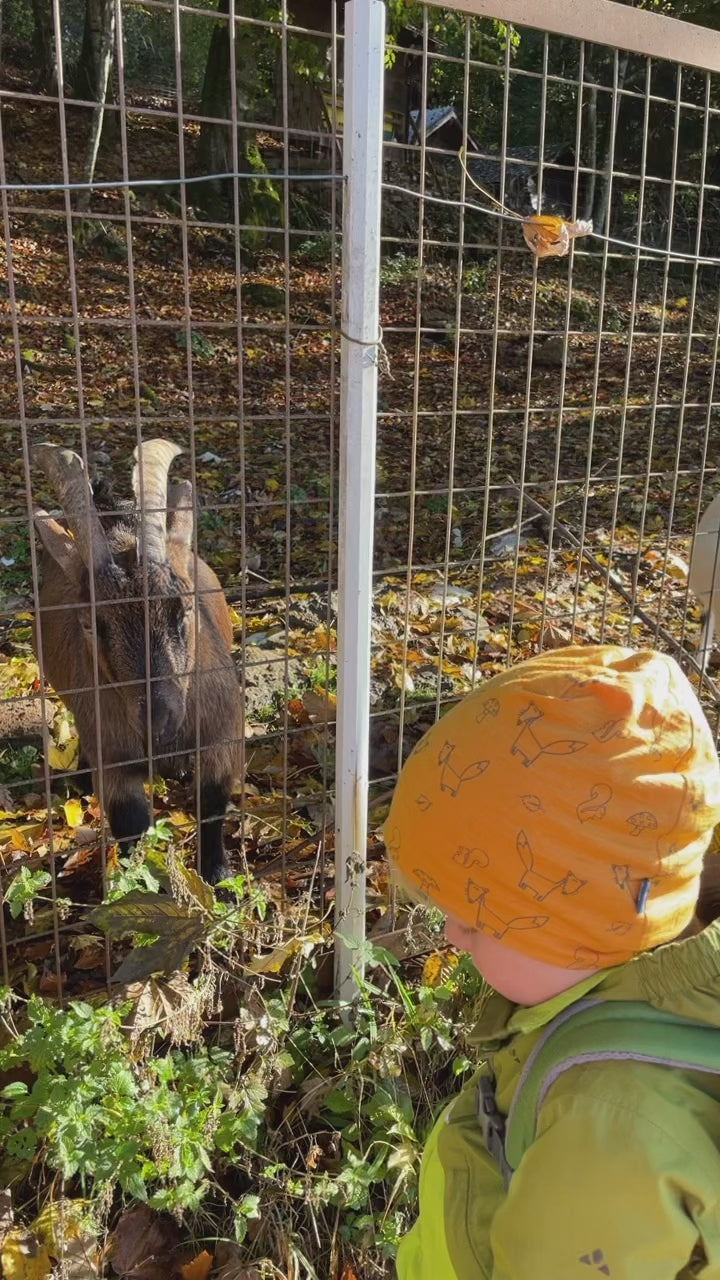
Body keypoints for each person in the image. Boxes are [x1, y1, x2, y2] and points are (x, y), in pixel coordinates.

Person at [384, 645, 720, 1280]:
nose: (453, 934)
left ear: (584, 926)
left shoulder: (610, 1132)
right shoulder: (619, 1000)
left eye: (480, 915)